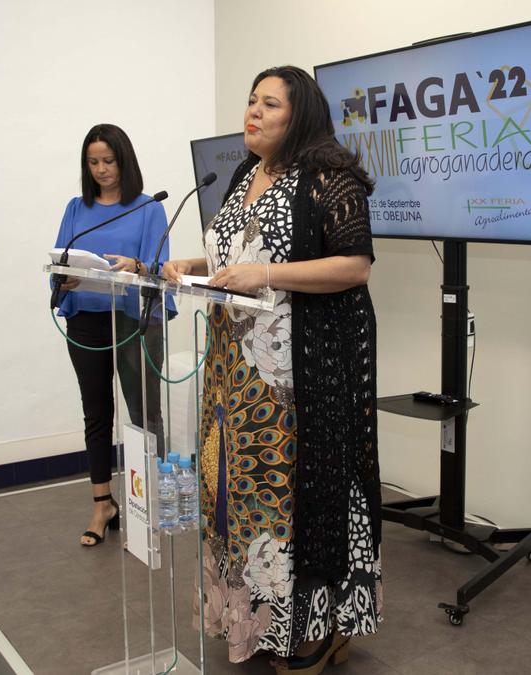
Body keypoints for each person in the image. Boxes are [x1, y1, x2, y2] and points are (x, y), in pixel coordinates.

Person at [162, 66, 381, 673]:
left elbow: (353, 267)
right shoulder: (242, 174)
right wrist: (189, 264)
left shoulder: (329, 180)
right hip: (235, 373)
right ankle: (258, 623)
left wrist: (265, 275)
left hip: (299, 375)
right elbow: (236, 255)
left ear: (299, 116)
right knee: (245, 499)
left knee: (296, 504)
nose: (252, 113)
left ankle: (313, 632)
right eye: (250, 101)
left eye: (269, 104)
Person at [54, 123, 169, 547]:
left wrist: (137, 266)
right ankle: (103, 503)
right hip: (86, 318)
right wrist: (63, 280)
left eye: (109, 161)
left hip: (133, 320)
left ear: (125, 161)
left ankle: (150, 503)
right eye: (93, 162)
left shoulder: (148, 207)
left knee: (144, 415)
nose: (101, 170)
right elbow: (61, 259)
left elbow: (161, 270)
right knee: (96, 413)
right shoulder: (75, 208)